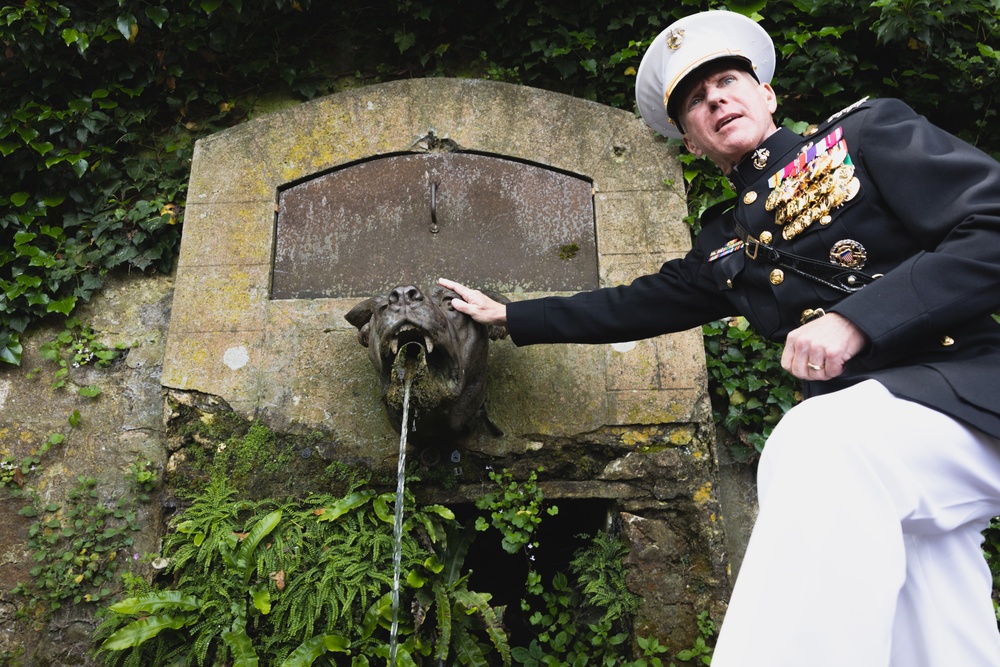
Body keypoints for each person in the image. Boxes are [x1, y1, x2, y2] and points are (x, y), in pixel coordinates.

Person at [440, 8, 1000, 667]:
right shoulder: (724, 242)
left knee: (815, 441)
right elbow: (632, 305)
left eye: (727, 81)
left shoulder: (867, 134)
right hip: (888, 452)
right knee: (935, 615)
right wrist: (511, 317)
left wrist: (858, 319)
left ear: (766, 93)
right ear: (691, 141)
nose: (715, 99)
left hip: (967, 394)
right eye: (696, 102)